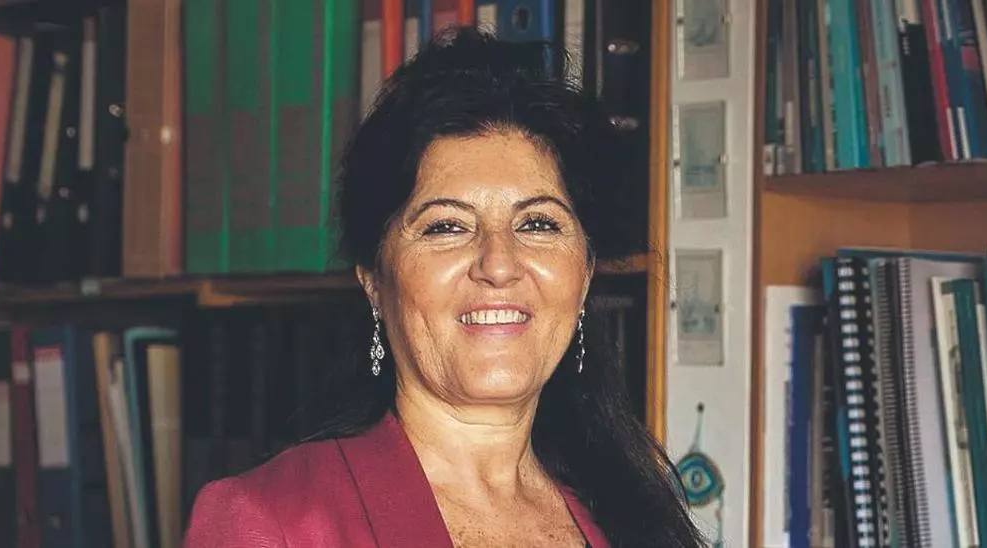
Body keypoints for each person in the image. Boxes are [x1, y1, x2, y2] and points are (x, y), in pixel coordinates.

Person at [183, 26, 706, 548]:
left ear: (586, 272)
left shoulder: (631, 517)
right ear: (374, 281)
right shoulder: (268, 521)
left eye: (538, 224)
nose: (498, 265)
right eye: (446, 227)